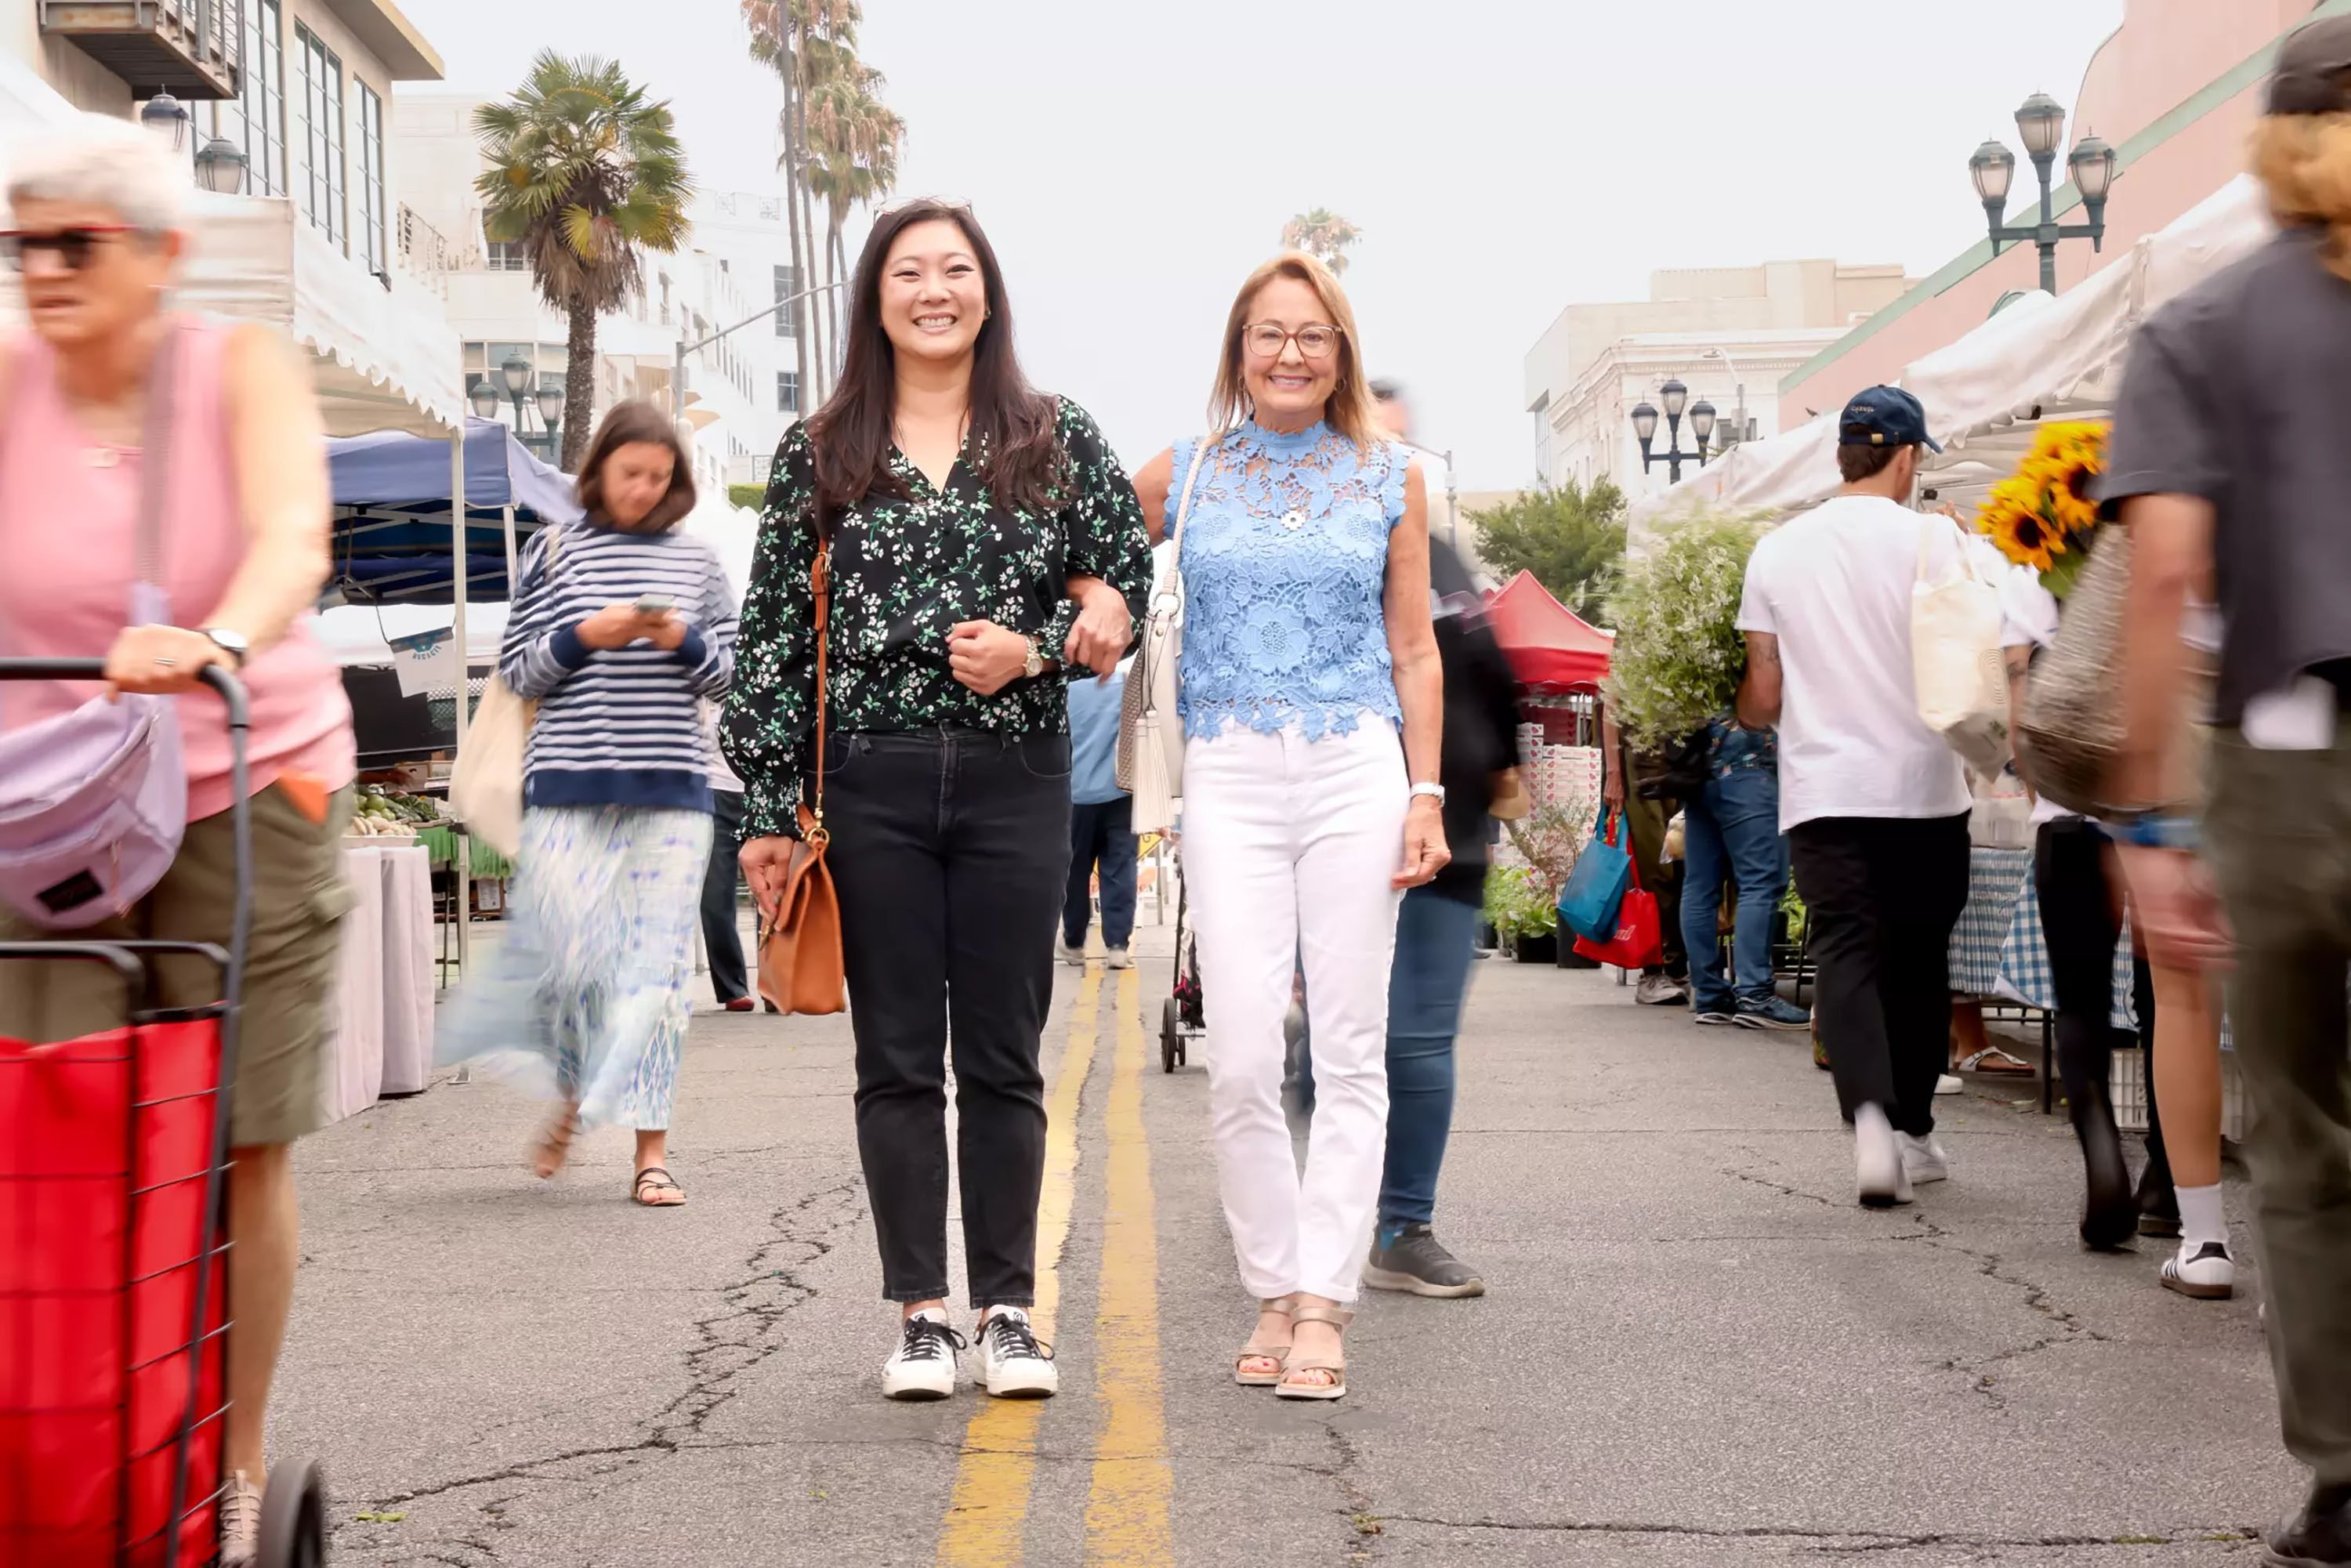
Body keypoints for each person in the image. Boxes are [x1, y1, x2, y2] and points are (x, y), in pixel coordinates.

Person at [0, 114, 356, 1565]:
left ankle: (229, 1456)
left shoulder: (237, 368)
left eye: (75, 242)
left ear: (158, 254)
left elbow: (294, 534)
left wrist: (212, 633)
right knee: (59, 1118)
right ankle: (70, 1443)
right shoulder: (8, 389)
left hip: (248, 776)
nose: (44, 268)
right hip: (53, 810)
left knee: (235, 1143)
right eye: (24, 243)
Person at [724, 199, 1149, 1403]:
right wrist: (767, 803)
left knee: (1006, 1053)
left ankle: (1009, 1309)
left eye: (955, 269)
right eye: (909, 271)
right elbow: (768, 638)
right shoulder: (819, 448)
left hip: (1018, 772)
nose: (934, 289)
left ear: (988, 291)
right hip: (873, 773)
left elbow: (1119, 582)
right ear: (876, 296)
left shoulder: (1052, 432)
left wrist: (1052, 645)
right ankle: (921, 1313)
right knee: (898, 1056)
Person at [2102, 23, 2351, 1555]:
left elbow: (2167, 584)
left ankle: (2342, 1475)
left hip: (2284, 758)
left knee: (2307, 1126)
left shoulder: (2201, 330)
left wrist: (2152, 818)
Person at [1132, 251, 1447, 1400]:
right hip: (1230, 771)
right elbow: (1093, 565)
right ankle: (1271, 1281)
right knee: (1245, 1053)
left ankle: (1322, 1305)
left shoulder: (1390, 474)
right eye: (1269, 333)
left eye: (1312, 334)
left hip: (1358, 765)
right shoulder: (1191, 470)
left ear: (1341, 351)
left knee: (1351, 1050)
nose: (1290, 353)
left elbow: (1414, 646)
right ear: (1238, 349)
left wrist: (1427, 793)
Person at [439, 400, 737, 1211]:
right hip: (567, 789)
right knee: (573, 964)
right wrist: (586, 638)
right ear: (598, 468)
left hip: (672, 791)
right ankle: (574, 1092)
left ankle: (651, 1156)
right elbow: (520, 672)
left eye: (660, 476)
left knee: (659, 976)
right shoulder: (554, 550)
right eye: (630, 471)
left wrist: (686, 642)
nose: (644, 488)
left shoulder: (699, 564)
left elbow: (730, 673)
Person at [1736, 386, 1970, 1208]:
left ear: (1842, 455)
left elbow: (1762, 695)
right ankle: (1913, 1127)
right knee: (1917, 960)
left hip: (1824, 790)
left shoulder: (1776, 551)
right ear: (1907, 457)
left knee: (1847, 952)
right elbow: (1966, 659)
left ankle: (1869, 1118)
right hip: (1927, 787)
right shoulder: (1934, 541)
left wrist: (1747, 701)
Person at [2003, 574, 2217, 1277]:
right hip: (2164, 804)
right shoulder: (2173, 545)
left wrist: (2038, 778)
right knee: (2168, 994)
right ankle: (2165, 1175)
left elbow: (2018, 686)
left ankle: (2101, 1149)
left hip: (2066, 814)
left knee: (2080, 993)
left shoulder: (2039, 562)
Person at [1357, 380, 1520, 1298]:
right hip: (1349, 821)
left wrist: (1500, 771)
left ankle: (1403, 1224)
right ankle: (1315, 1200)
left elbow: (1493, 672)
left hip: (1448, 830)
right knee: (1326, 1044)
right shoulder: (1325, 548)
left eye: (1405, 449)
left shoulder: (1446, 554)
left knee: (1419, 1040)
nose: (1396, 463)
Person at [1676, 712, 1809, 1030]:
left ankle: (1709, 994)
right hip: (1751, 768)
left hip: (1702, 772)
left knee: (1699, 886)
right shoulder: (1762, 660)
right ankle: (1755, 995)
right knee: (1760, 883)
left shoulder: (1696, 667)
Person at [1601, 709, 1690, 1004]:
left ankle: (1679, 968)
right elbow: (1611, 705)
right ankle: (1655, 969)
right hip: (1642, 767)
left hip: (1684, 760)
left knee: (1688, 868)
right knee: (1656, 869)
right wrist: (1614, 773)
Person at [1060, 657, 1136, 969]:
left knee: (1074, 872)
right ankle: (1118, 946)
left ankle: (1074, 942)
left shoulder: (1066, 690)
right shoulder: (1125, 687)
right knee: (1120, 868)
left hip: (1075, 795)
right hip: (1121, 791)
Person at [701, 701, 755, 1010]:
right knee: (715, 895)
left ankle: (780, 979)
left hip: (763, 790)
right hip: (712, 791)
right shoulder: (698, 678)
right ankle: (732, 987)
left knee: (778, 892)